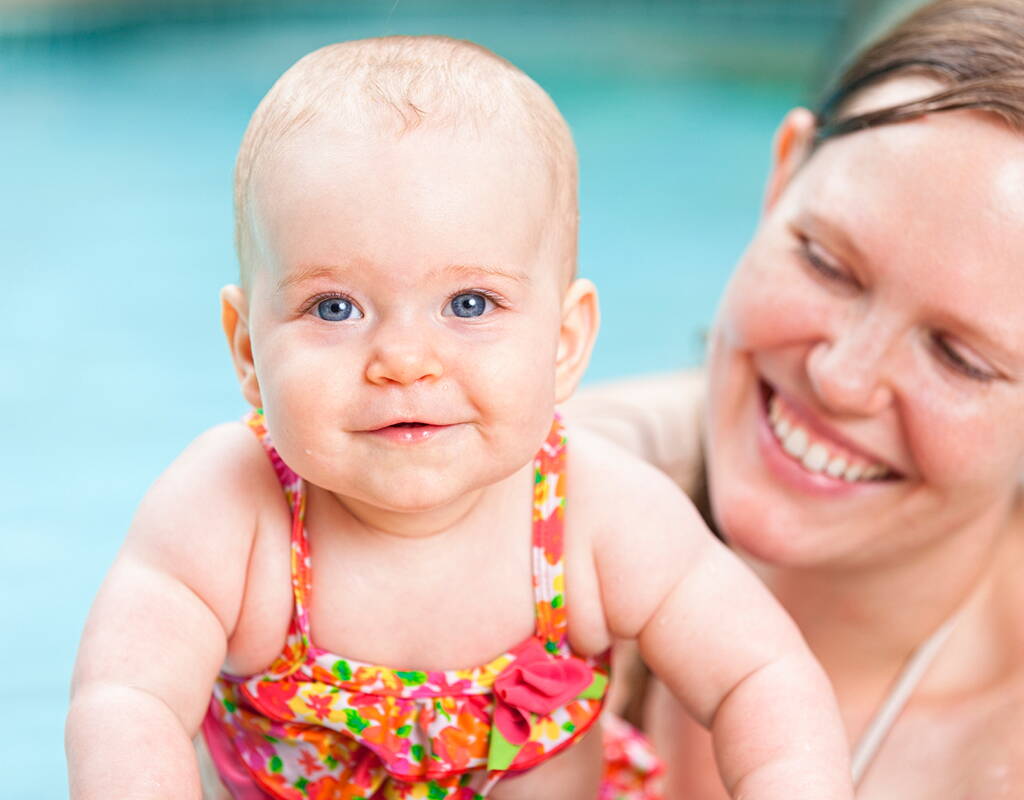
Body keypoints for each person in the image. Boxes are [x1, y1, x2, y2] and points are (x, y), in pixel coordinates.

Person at [64, 36, 854, 800]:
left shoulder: (599, 514)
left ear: (565, 342)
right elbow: (126, 701)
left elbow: (762, 677)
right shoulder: (229, 510)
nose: (404, 359)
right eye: (333, 307)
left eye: (469, 304)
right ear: (246, 350)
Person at [569, 1, 1024, 797]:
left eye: (959, 358)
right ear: (781, 177)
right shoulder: (548, 490)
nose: (843, 378)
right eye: (825, 264)